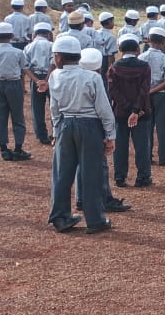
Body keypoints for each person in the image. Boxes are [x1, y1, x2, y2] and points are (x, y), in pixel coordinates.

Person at [47, 34, 116, 234]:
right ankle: (95, 219)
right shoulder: (92, 77)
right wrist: (110, 135)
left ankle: (60, 217)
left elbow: (54, 108)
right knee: (92, 173)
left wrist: (56, 132)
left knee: (62, 173)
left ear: (59, 57)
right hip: (90, 125)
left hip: (65, 124)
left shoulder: (54, 76)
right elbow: (103, 108)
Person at [107, 36, 153, 189]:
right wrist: (135, 110)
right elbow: (144, 90)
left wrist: (127, 108)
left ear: (120, 50)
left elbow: (113, 91)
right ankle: (143, 177)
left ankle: (120, 177)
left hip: (120, 112)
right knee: (142, 146)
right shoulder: (145, 67)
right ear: (137, 50)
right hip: (141, 113)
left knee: (120, 146)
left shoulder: (114, 68)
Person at [0, 22, 30, 161]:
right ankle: (18, 148)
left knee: (0, 116)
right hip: (13, 83)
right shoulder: (18, 52)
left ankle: (3, 149)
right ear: (12, 36)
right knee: (17, 116)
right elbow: (24, 69)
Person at [143, 28, 165, 166]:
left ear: (149, 40)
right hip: (161, 95)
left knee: (146, 126)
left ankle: (147, 155)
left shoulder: (141, 57)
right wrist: (152, 91)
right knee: (164, 127)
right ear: (164, 42)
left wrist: (147, 92)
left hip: (144, 95)